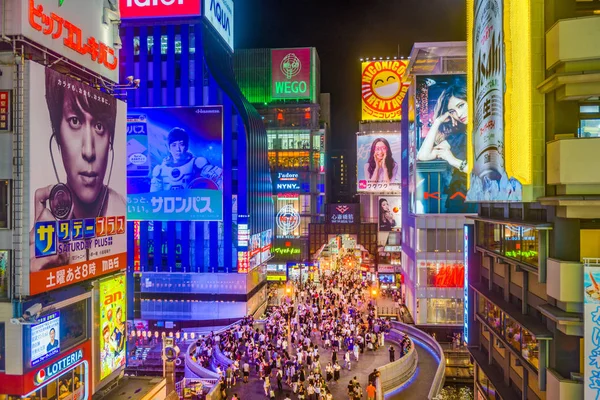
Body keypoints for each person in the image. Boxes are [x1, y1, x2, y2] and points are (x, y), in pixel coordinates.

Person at [30, 68, 126, 272]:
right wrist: (37, 273)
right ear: (57, 133)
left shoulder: (124, 218)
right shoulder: (40, 226)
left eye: (99, 126)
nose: (89, 151)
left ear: (111, 138)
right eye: (75, 121)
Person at [416, 78, 470, 212]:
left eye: (461, 105)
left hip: (479, 202)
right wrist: (438, 122)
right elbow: (423, 155)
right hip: (458, 199)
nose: (458, 114)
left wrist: (454, 161)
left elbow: (485, 172)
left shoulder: (486, 133)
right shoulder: (459, 139)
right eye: (452, 111)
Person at [150, 127, 223, 192]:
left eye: (181, 144)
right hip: (168, 206)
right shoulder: (160, 170)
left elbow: (221, 179)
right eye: (174, 145)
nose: (178, 149)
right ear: (169, 148)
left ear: (187, 146)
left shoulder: (197, 163)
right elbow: (153, 196)